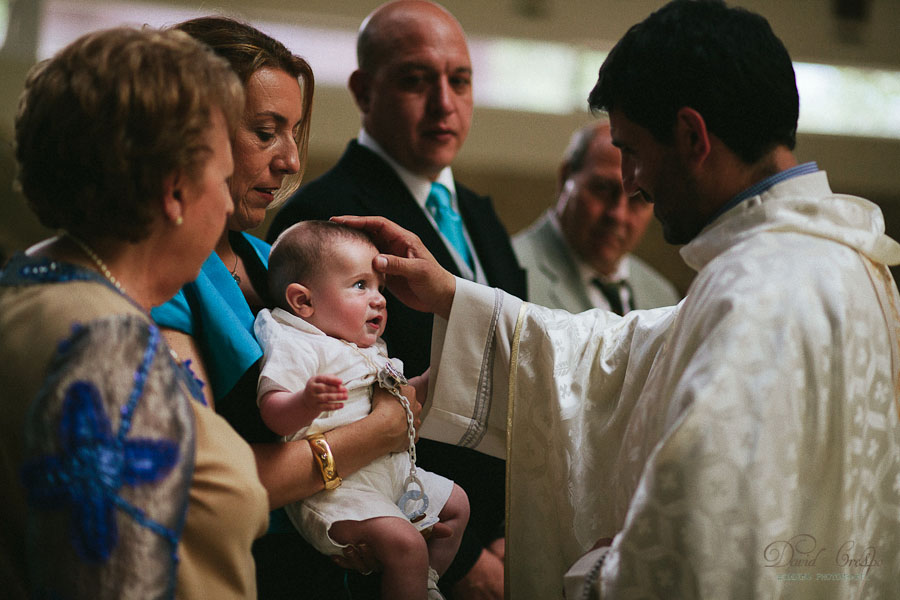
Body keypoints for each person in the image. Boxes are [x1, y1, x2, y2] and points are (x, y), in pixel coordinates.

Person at [334, 1, 900, 598]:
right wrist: (455, 296)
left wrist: (597, 573)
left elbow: (697, 553)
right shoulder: (836, 259)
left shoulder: (761, 294)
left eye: (632, 150)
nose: (633, 182)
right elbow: (625, 353)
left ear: (691, 137)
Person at [149, 17, 419, 598]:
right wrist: (380, 432)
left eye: (294, 133)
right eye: (266, 132)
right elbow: (198, 480)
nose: (292, 160)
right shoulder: (162, 273)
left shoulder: (276, 258)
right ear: (190, 130)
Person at [267, 3, 524, 595]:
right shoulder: (322, 220)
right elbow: (335, 413)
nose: (444, 102)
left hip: (496, 536)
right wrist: (460, 562)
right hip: (405, 545)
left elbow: (506, 368)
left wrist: (516, 529)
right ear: (363, 89)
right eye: (416, 79)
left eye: (459, 79)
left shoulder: (481, 217)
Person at [0, 27, 264, 598]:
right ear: (174, 192)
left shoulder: (30, 285)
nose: (225, 201)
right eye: (221, 178)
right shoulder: (106, 345)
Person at [256, 221, 469, 599]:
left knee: (457, 506)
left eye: (380, 288)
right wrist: (304, 402)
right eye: (360, 285)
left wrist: (438, 375)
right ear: (303, 302)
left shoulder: (367, 347)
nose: (380, 299)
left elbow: (404, 403)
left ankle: (424, 582)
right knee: (405, 544)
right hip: (336, 492)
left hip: (386, 474)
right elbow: (272, 411)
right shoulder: (296, 342)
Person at [513, 122, 680, 313]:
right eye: (603, 189)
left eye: (639, 199)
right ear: (565, 177)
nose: (618, 214)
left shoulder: (662, 297)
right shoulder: (507, 277)